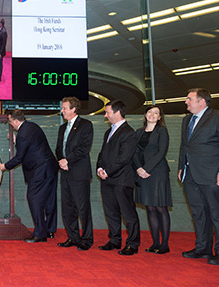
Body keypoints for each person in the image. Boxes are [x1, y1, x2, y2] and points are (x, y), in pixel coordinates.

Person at [179, 88, 219, 266]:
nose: (186, 102)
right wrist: (182, 167)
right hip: (191, 175)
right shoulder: (187, 120)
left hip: (214, 175)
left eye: (189, 99)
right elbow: (184, 146)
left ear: (202, 101)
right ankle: (202, 248)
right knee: (199, 214)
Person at [0, 110, 59, 243]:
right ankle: (49, 230)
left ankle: (39, 234)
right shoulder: (31, 126)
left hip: (40, 170)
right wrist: (16, 140)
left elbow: (20, 157)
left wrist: (5, 166)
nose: (11, 124)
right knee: (49, 199)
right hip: (50, 167)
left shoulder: (23, 134)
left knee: (34, 198)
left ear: (16, 121)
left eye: (10, 122)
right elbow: (31, 146)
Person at [97, 100, 140, 256]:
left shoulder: (129, 132)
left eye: (108, 112)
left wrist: (107, 171)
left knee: (128, 213)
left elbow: (124, 158)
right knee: (111, 212)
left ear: (117, 112)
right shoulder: (109, 132)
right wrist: (100, 168)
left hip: (122, 180)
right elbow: (102, 153)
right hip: (107, 178)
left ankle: (133, 244)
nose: (106, 115)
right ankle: (115, 240)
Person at [54, 97, 94, 251]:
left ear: (73, 109)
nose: (62, 110)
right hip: (65, 172)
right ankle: (73, 237)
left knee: (82, 207)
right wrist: (61, 160)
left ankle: (87, 239)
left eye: (64, 108)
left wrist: (67, 160)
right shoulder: (62, 128)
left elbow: (84, 148)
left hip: (79, 172)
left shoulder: (85, 125)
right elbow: (58, 148)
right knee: (68, 207)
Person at [133, 105, 172, 254]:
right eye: (150, 112)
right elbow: (134, 152)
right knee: (149, 207)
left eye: (156, 113)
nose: (152, 115)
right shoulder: (138, 132)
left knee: (160, 207)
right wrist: (138, 168)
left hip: (157, 172)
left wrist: (146, 169)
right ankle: (155, 243)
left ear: (160, 117)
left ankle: (165, 244)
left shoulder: (162, 131)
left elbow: (161, 152)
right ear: (145, 115)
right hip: (141, 172)